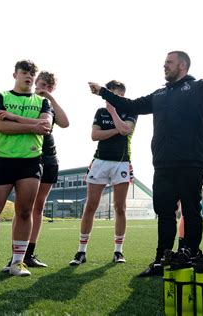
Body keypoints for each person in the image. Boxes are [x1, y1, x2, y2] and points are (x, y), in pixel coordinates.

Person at [88, 34, 203, 277]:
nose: (164, 65)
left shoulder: (198, 88)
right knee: (164, 212)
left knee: (191, 211)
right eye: (164, 62)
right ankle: (162, 259)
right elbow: (131, 105)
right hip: (163, 164)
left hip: (191, 162)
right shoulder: (159, 94)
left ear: (182, 65)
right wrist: (103, 93)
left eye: (169, 62)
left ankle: (191, 258)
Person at [0, 60, 52, 279]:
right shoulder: (0, 97)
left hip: (31, 161)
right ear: (14, 74)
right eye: (24, 72)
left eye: (32, 73)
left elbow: (45, 127)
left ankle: (18, 262)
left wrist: (15, 118)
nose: (29, 76)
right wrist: (32, 125)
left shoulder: (42, 102)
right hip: (2, 160)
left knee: (24, 211)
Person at [2, 71, 69, 270]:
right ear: (34, 82)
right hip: (27, 155)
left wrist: (50, 98)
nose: (44, 89)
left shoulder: (49, 105)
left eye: (49, 87)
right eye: (41, 84)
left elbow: (65, 123)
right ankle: (15, 256)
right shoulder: (23, 100)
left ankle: (29, 254)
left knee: (38, 206)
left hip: (49, 157)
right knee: (23, 207)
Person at [69, 80, 136, 265]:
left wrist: (114, 112)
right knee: (90, 206)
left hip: (121, 163)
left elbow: (126, 130)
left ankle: (118, 251)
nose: (110, 99)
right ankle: (81, 252)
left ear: (122, 95)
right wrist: (117, 130)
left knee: (119, 207)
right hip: (99, 162)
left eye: (114, 95)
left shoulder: (130, 110)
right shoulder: (100, 112)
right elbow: (95, 136)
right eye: (108, 94)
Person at [177, 135, 203, 250]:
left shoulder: (200, 119)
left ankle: (186, 248)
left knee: (189, 209)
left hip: (193, 166)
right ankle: (168, 250)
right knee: (173, 209)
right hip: (171, 165)